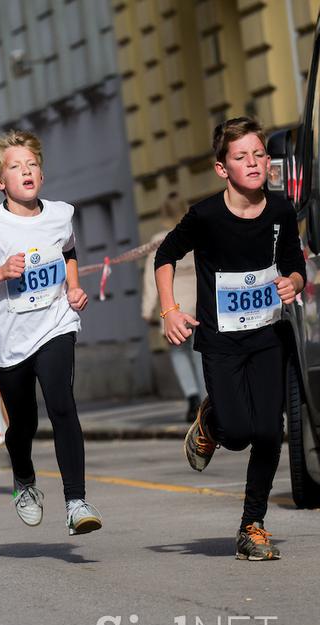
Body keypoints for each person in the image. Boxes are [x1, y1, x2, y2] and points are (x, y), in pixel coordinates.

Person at [155, 117, 305, 561]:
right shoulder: (205, 216)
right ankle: (212, 422)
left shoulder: (280, 211)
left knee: (268, 432)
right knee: (238, 432)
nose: (253, 162)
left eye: (259, 154)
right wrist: (170, 310)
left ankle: (252, 526)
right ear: (222, 169)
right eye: (241, 157)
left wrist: (293, 282)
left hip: (268, 336)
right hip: (221, 340)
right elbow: (166, 255)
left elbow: (295, 263)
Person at [0, 130, 102, 536]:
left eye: (32, 164)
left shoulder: (61, 214)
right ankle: (24, 480)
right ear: (0, 182)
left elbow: (68, 251)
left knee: (62, 405)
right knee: (22, 423)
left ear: (42, 173)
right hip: (8, 339)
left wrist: (72, 287)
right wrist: (0, 272)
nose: (26, 171)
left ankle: (76, 502)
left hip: (55, 324)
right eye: (15, 167)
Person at [142, 192, 206, 422]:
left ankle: (191, 398)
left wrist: (147, 309)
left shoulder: (160, 239)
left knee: (178, 353)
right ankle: (205, 400)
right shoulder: (197, 233)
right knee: (198, 352)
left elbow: (152, 277)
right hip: (197, 302)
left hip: (172, 304)